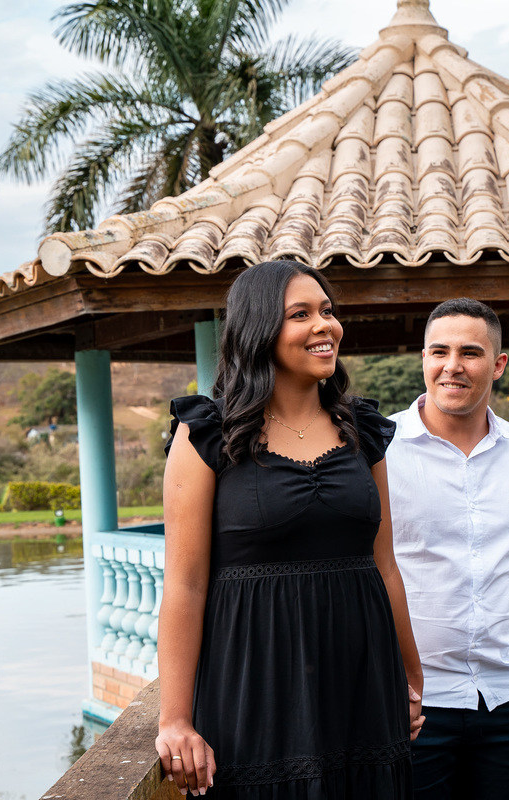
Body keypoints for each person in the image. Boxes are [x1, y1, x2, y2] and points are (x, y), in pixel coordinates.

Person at [155, 260, 425, 798]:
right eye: (300, 314)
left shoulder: (362, 430)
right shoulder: (208, 434)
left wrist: (411, 677)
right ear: (258, 331)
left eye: (327, 311)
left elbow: (385, 565)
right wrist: (175, 720)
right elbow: (185, 585)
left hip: (361, 681)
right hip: (254, 681)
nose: (324, 326)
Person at [385, 298, 509, 800]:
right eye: (439, 351)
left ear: (498, 364)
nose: (452, 366)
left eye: (470, 353)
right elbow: (363, 566)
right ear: (423, 359)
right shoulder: (380, 449)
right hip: (413, 703)